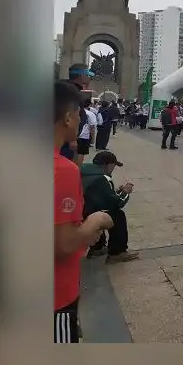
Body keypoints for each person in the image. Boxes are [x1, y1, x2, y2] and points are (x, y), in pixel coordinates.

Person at [54, 81, 114, 343]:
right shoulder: (63, 171)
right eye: (78, 114)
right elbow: (64, 244)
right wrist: (95, 221)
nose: (81, 120)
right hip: (55, 294)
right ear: (67, 117)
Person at [82, 151, 139, 262]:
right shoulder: (101, 178)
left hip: (80, 209)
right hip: (86, 214)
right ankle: (117, 252)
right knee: (117, 215)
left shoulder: (85, 171)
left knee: (99, 209)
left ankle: (97, 247)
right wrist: (125, 192)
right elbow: (117, 204)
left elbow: (101, 197)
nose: (113, 169)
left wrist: (116, 192)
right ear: (108, 165)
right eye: (113, 165)